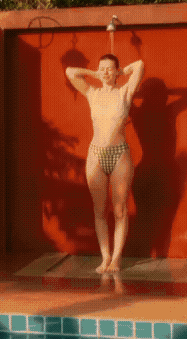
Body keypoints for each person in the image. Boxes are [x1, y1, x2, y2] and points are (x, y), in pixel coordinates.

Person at [65, 55, 144, 273]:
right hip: (96, 155)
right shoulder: (92, 93)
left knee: (119, 210)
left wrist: (122, 71)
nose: (105, 72)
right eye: (102, 68)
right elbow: (70, 72)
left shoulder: (125, 92)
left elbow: (140, 65)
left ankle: (116, 258)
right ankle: (105, 257)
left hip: (119, 154)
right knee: (100, 210)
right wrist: (94, 73)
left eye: (110, 69)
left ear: (117, 71)